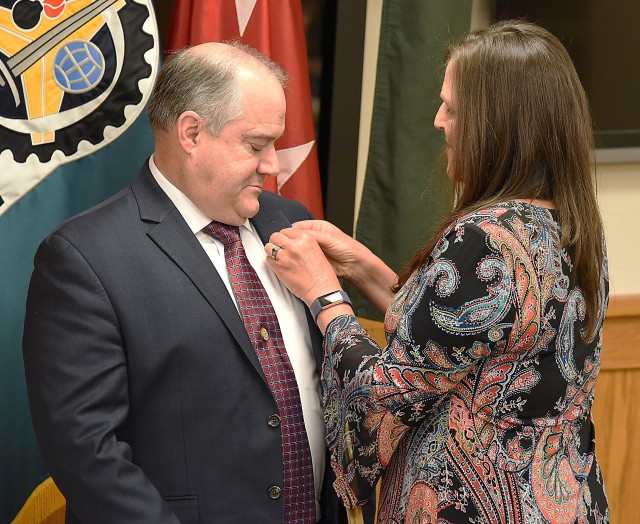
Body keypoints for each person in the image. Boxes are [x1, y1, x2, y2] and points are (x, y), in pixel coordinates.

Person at [265, 20, 609, 523]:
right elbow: (454, 340)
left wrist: (324, 296)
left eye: (451, 106)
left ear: (496, 122)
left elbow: (385, 395)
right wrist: (360, 264)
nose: (438, 121)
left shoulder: (484, 239)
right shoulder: (569, 223)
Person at [23, 42, 346, 524]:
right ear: (191, 132)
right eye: (256, 145)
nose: (274, 166)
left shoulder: (290, 224)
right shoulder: (84, 259)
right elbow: (87, 453)